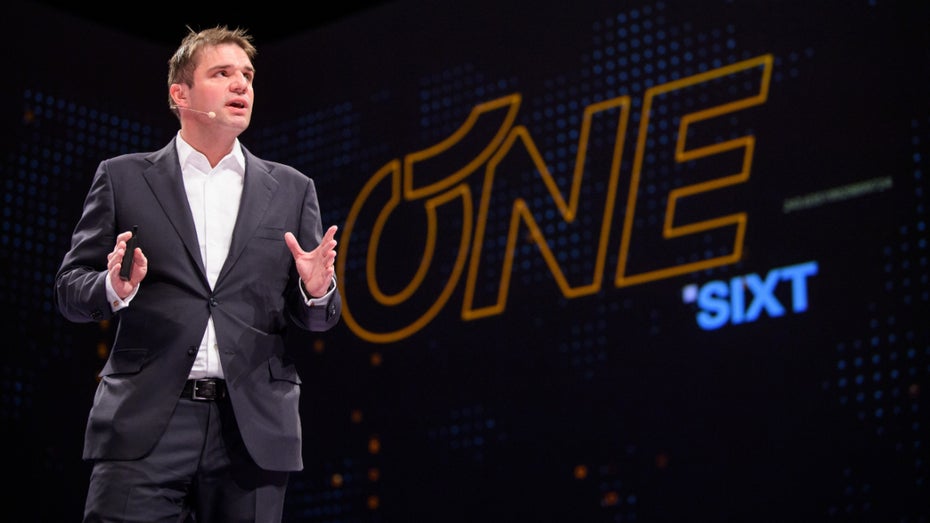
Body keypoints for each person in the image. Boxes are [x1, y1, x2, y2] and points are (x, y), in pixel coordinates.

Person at [54, 25, 342, 522]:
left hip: (252, 429)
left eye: (247, 75)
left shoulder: (293, 189)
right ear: (180, 94)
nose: (241, 84)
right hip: (144, 422)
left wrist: (316, 291)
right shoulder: (123, 177)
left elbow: (317, 318)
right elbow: (69, 289)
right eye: (222, 73)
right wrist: (112, 287)